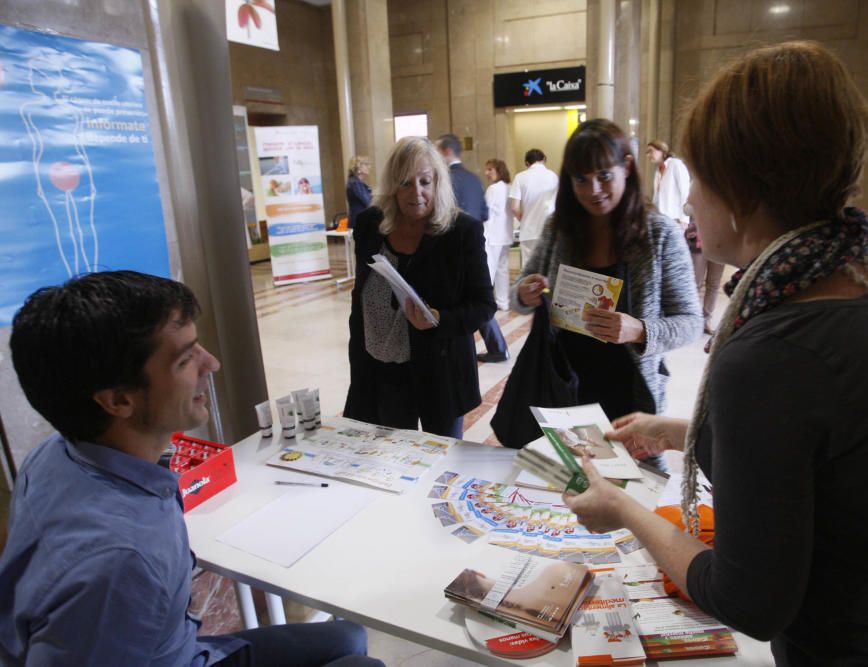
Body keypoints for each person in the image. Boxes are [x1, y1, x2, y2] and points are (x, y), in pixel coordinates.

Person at [561, 42, 868, 666]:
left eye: (701, 180)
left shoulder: (774, 350)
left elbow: (748, 600)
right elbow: (827, 461)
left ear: (744, 193)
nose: (688, 202)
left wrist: (624, 508)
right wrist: (682, 432)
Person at [0, 270, 382, 667]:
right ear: (117, 400)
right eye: (185, 359)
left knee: (349, 635)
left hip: (180, 646)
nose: (211, 363)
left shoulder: (53, 453)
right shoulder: (119, 564)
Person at [512, 119, 701, 421]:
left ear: (626, 167)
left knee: (629, 469)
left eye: (603, 176)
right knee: (567, 468)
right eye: (581, 180)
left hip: (629, 395)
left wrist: (640, 330)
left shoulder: (659, 233)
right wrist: (524, 293)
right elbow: (520, 293)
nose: (594, 190)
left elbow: (691, 321)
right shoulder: (559, 228)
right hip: (564, 389)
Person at [344, 136, 496, 438]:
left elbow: (483, 305)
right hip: (383, 370)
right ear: (392, 186)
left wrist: (439, 318)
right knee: (394, 461)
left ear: (437, 181)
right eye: (405, 183)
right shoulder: (370, 225)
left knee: (443, 463)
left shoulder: (461, 231)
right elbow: (359, 298)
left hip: (440, 373)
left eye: (425, 182)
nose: (417, 193)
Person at [436, 133, 509, 363]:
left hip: (451, 249)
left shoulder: (445, 179)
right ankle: (497, 347)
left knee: (466, 303)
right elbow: (484, 214)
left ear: (446, 152)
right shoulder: (474, 179)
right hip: (476, 245)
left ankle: (466, 352)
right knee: (478, 300)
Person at [509, 148, 559, 266]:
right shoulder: (553, 176)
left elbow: (514, 207)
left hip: (528, 231)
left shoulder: (520, 177)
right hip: (549, 229)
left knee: (529, 269)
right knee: (548, 266)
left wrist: (524, 219)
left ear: (527, 163)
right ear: (543, 160)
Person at [684, 219, 724, 334]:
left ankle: (706, 320)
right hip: (698, 239)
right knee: (695, 284)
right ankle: (691, 319)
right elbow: (687, 209)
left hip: (720, 243)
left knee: (714, 284)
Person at [483, 158, 513, 311]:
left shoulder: (493, 189)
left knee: (488, 270)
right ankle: (503, 302)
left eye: (490, 170)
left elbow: (485, 212)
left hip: (492, 235)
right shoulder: (509, 187)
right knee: (502, 270)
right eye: (486, 169)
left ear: (499, 171)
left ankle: (485, 303)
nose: (486, 173)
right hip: (506, 234)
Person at [645, 140, 690, 229]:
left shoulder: (675, 164)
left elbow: (685, 191)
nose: (648, 155)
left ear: (661, 150)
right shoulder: (657, 172)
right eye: (647, 152)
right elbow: (656, 199)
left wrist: (684, 219)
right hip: (661, 221)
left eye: (650, 151)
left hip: (676, 220)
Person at [346, 155, 372, 229]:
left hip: (360, 221)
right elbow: (368, 202)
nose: (369, 167)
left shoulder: (356, 182)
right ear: (358, 169)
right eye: (366, 165)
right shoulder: (355, 183)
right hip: (359, 222)